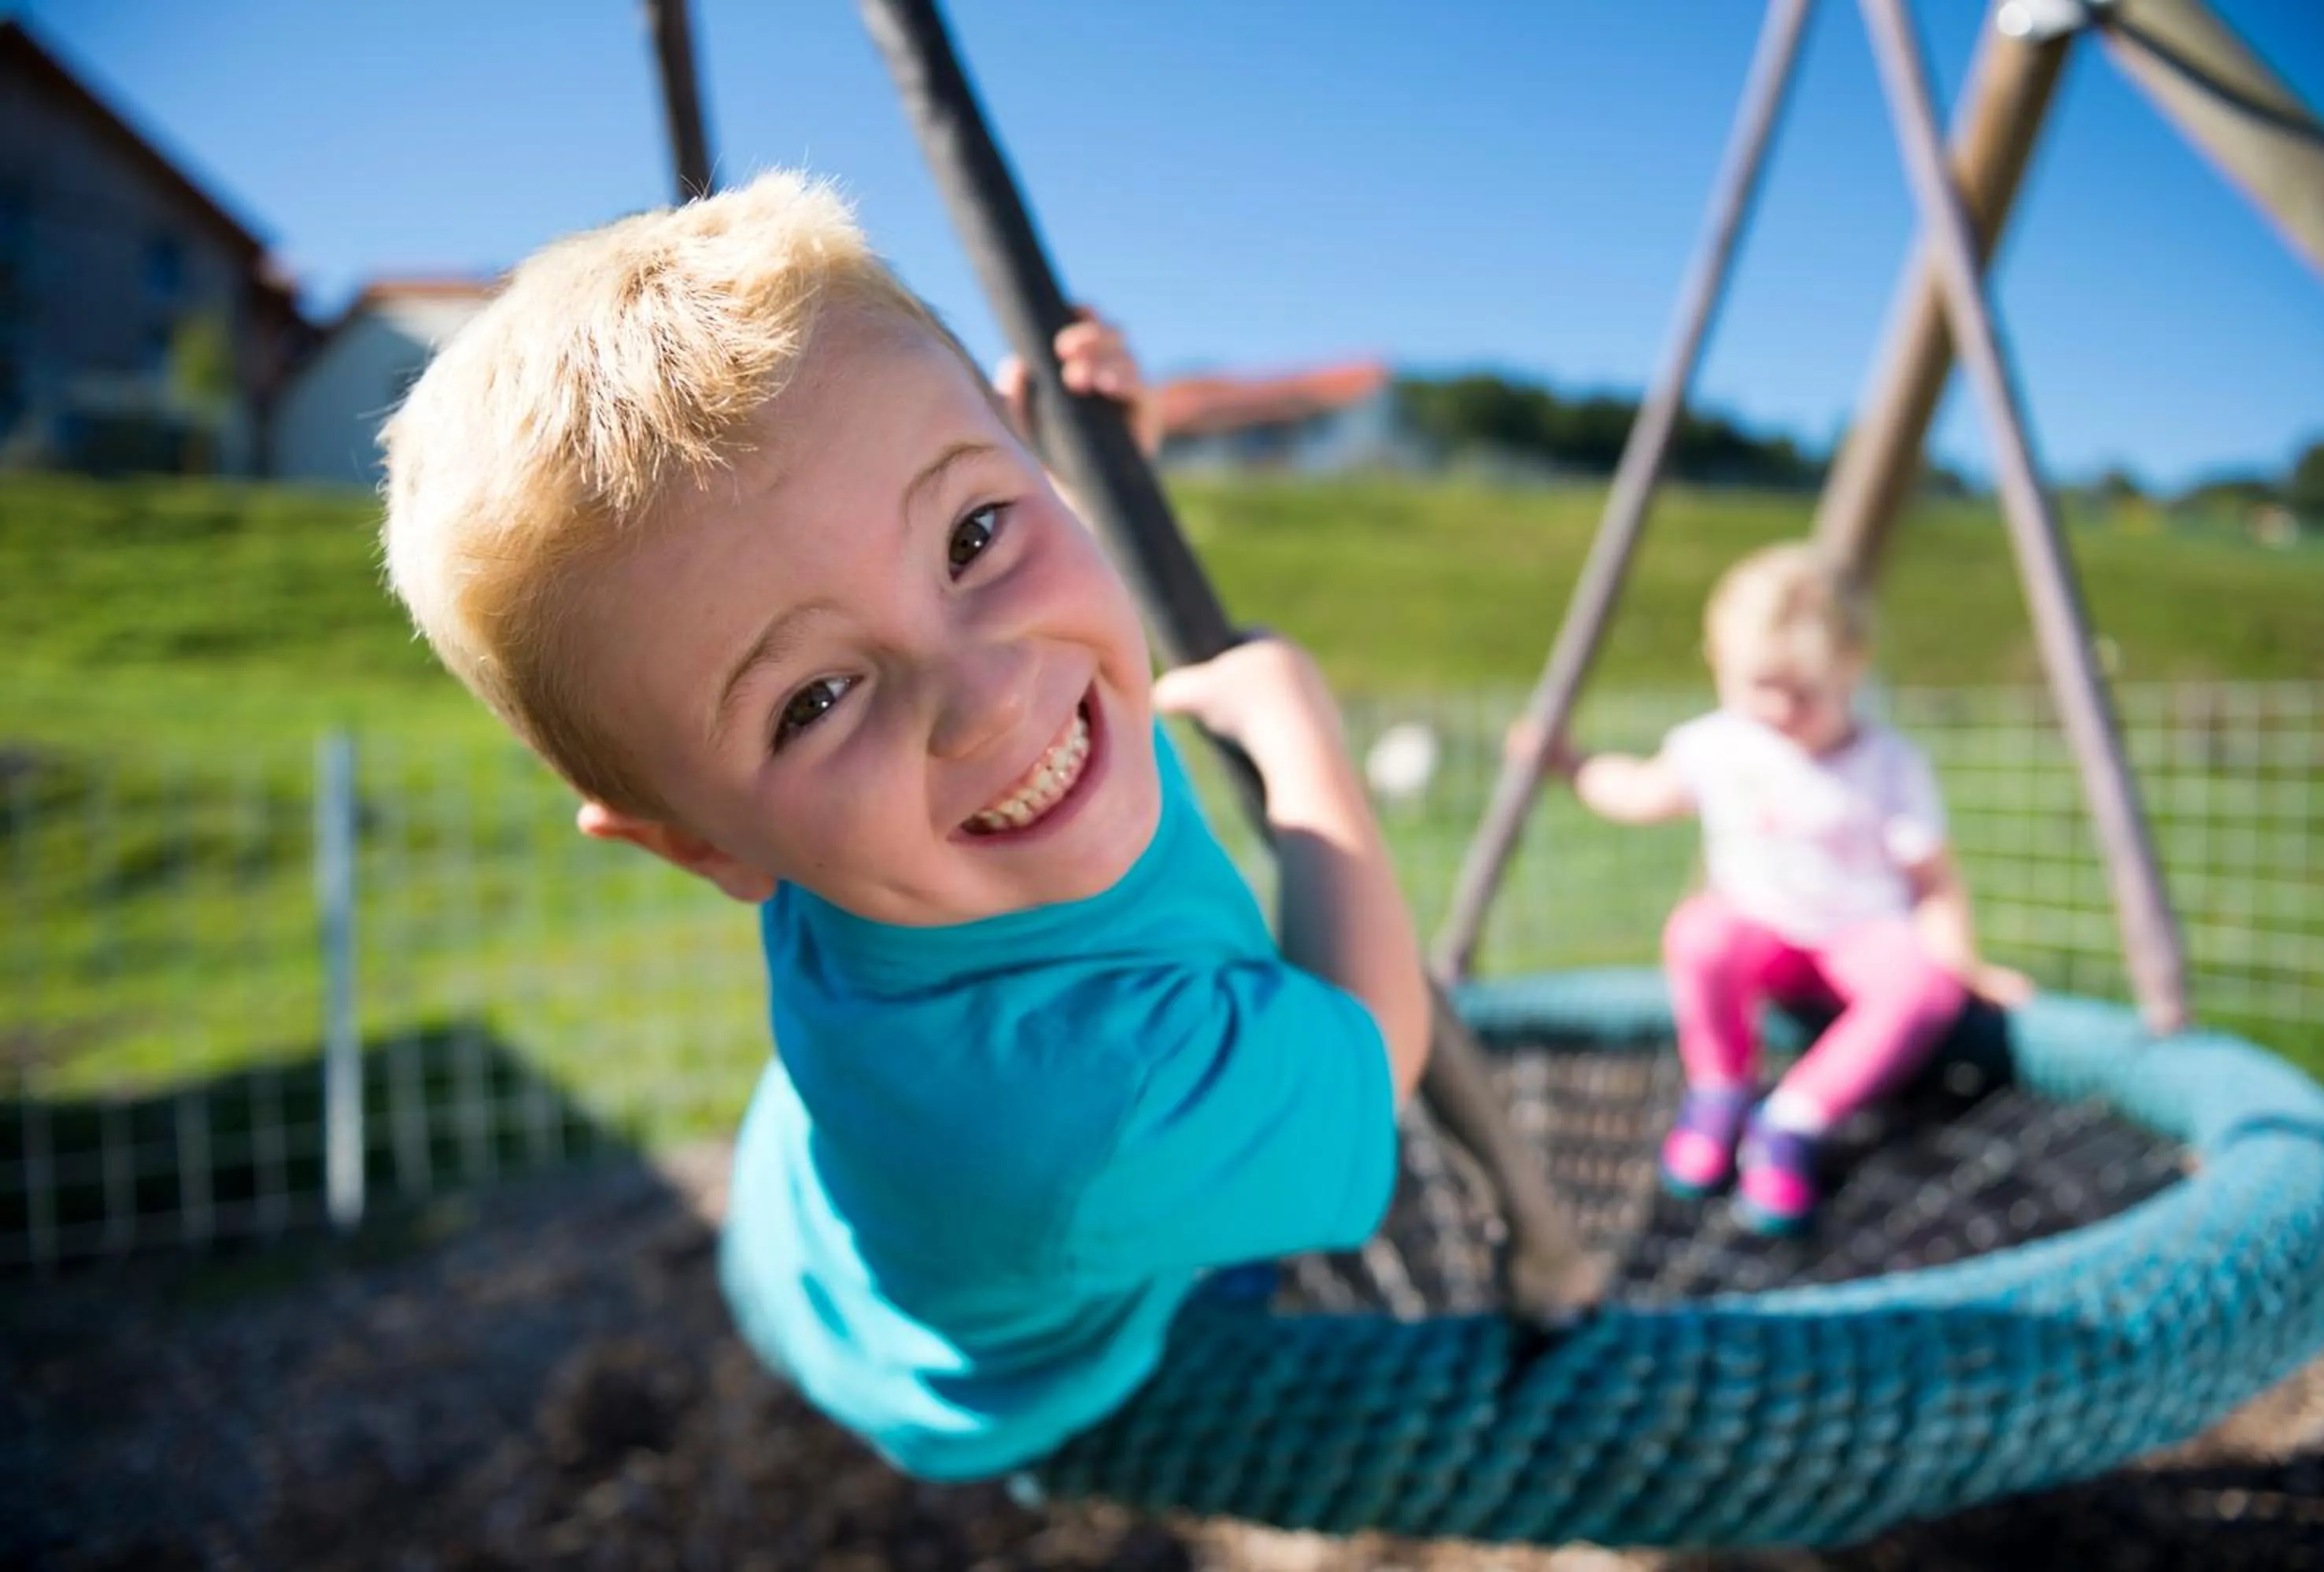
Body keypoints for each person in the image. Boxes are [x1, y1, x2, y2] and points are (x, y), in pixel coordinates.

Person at [378, 172, 1427, 1481]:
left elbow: (877, 563)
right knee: (1200, 1277)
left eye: (976, 530)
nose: (988, 696)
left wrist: (1102, 472)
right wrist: (1303, 749)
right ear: (702, 846)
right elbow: (1375, 1049)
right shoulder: (1090, 1102)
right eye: (815, 699)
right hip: (968, 1378)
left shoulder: (872, 815)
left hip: (801, 1205)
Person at [1508, 542, 2030, 1234]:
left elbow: (1933, 883)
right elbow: (1637, 792)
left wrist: (1965, 964)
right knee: (1699, 933)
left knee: (1924, 990)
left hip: (1860, 930)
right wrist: (1570, 766)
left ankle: (1794, 1119)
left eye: (1805, 692)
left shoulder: (1888, 765)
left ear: (1853, 668)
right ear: (1719, 666)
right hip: (1763, 926)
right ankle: (1721, 1088)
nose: (1781, 709)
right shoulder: (1718, 744)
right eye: (1759, 687)